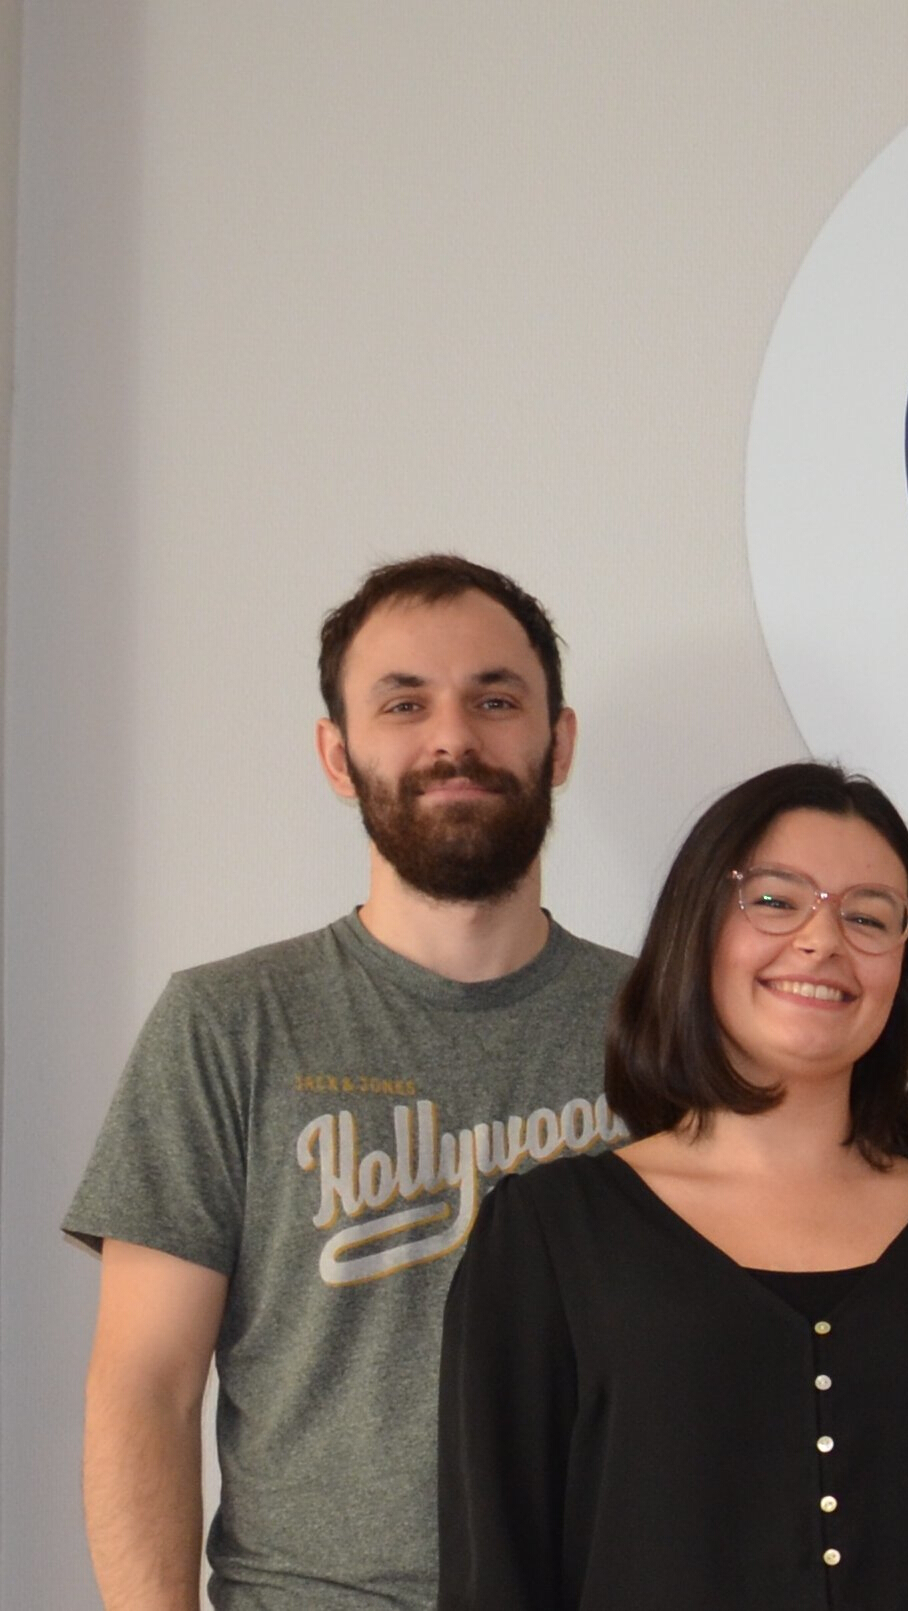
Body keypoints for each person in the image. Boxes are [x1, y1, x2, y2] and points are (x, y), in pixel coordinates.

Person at [65, 555, 631, 1611]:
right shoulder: (228, 1023)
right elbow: (143, 1386)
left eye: (495, 699)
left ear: (558, 744)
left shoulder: (664, 1033)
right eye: (404, 703)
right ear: (338, 754)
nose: (452, 738)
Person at [437, 761, 908, 1610]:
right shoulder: (546, 1239)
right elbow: (495, 1578)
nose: (821, 941)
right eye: (774, 898)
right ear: (699, 925)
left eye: (869, 916)